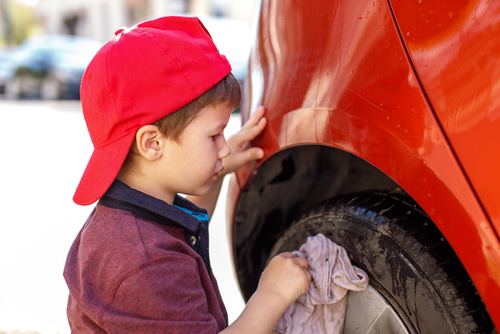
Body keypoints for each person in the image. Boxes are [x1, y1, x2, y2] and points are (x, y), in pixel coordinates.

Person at [64, 16, 311, 333]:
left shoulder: (128, 218)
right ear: (153, 143)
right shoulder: (148, 263)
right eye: (214, 136)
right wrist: (272, 295)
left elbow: (174, 228)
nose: (224, 148)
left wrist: (216, 172)